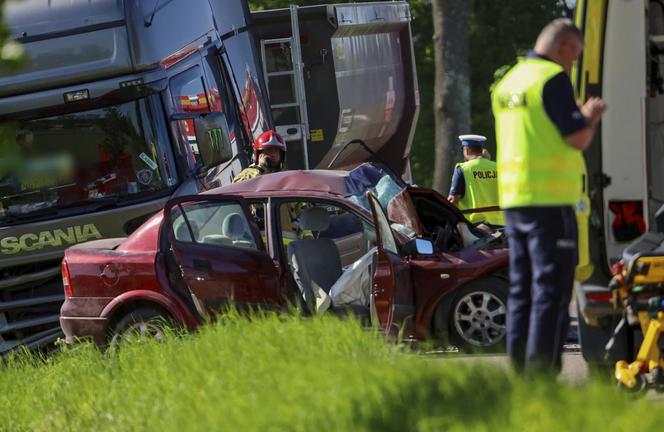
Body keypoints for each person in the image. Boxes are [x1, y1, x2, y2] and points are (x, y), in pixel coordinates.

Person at [491, 18, 607, 374]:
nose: (572, 65)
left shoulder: (508, 82)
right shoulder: (551, 79)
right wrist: (589, 115)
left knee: (522, 289)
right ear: (564, 48)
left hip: (515, 200)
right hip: (551, 202)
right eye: (574, 57)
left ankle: (520, 370)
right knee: (552, 291)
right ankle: (542, 375)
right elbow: (577, 139)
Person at [447, 134, 505, 226]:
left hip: (474, 227)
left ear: (466, 150)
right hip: (502, 224)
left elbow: (453, 200)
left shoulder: (463, 169)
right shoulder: (498, 167)